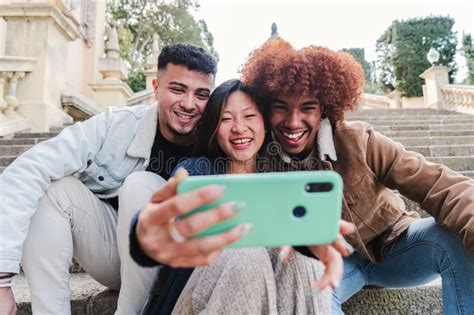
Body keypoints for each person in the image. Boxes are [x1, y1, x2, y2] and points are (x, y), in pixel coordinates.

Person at [240, 37, 474, 314]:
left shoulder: (357, 139)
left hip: (394, 247)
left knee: (454, 237)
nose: (293, 121)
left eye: (307, 108)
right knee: (310, 290)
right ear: (267, 109)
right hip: (331, 266)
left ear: (324, 109)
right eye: (281, 107)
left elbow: (437, 183)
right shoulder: (258, 156)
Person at [0, 43, 224, 314]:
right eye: (177, 89)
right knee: (52, 189)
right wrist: (2, 280)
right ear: (156, 88)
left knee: (141, 185)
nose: (189, 104)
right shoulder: (116, 125)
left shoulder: (218, 138)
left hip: (181, 263)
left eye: (201, 94)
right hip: (121, 257)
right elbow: (27, 169)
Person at [131, 78, 349, 314]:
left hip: (270, 297)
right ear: (214, 129)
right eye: (226, 119)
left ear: (265, 124)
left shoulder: (282, 179)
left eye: (249, 116)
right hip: (196, 298)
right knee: (246, 255)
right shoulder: (196, 172)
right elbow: (166, 217)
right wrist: (145, 232)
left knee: (304, 260)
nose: (238, 127)